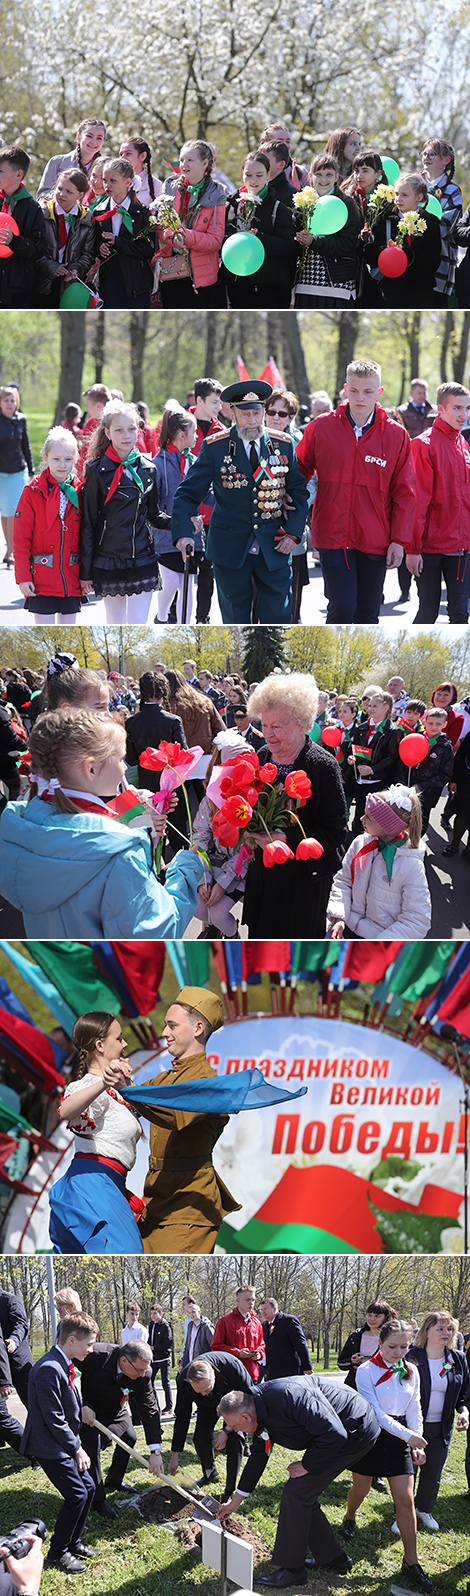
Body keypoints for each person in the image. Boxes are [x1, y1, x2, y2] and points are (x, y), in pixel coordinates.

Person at [0, 709, 204, 937]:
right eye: (120, 758)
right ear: (91, 768)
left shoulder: (21, 827)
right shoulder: (118, 852)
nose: (125, 767)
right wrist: (185, 870)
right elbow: (157, 931)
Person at [216, 1376, 380, 1589]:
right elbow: (259, 1455)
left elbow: (334, 1433)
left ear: (246, 1417)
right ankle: (333, 1558)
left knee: (296, 1493)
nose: (235, 1430)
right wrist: (236, 1500)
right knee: (302, 1495)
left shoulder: (288, 1396)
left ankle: (292, 1571)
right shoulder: (260, 1411)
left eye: (234, 1425)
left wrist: (307, 1465)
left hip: (355, 1430)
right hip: (333, 1433)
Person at [172, 379, 309, 624]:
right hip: (230, 548)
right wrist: (183, 534)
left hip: (276, 545)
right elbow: (187, 493)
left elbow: (298, 491)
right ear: (232, 413)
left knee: (277, 618)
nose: (253, 420)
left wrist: (293, 533)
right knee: (235, 618)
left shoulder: (283, 444)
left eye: (257, 413)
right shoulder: (216, 447)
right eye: (245, 414)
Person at [296, 358, 415, 623]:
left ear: (379, 392)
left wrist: (399, 540)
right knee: (342, 608)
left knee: (368, 613)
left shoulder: (396, 435)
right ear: (345, 388)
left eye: (368, 391)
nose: (360, 398)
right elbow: (299, 470)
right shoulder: (322, 426)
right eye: (354, 390)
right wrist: (294, 510)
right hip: (332, 536)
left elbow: (405, 492)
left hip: (375, 538)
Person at [125, 985, 241, 1253]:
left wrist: (127, 1090)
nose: (164, 1033)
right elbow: (132, 1100)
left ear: (198, 1028)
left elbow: (173, 1115)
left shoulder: (209, 1083)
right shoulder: (165, 1079)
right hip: (157, 1205)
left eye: (172, 1025)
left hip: (188, 1209)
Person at [240, 673, 348, 937]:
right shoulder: (262, 755)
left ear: (302, 723)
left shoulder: (323, 765)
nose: (268, 734)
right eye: (264, 725)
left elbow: (336, 831)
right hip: (265, 874)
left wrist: (285, 838)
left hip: (303, 880)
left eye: (277, 725)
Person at [344, 1319, 432, 1594]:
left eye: (405, 1346)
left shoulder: (412, 1371)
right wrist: (409, 1436)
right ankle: (350, 1516)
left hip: (402, 1438)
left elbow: (415, 1406)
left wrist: (417, 1442)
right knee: (362, 1488)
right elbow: (377, 1413)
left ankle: (411, 1561)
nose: (399, 1352)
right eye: (392, 1346)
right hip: (371, 1434)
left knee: (405, 1500)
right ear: (379, 1343)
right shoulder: (365, 1371)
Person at [48, 1010, 145, 1254]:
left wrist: (122, 1084)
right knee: (124, 1254)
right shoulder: (91, 1085)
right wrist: (104, 1082)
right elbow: (66, 1110)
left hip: (106, 1184)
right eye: (119, 1039)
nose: (125, 1044)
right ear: (100, 1045)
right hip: (93, 1184)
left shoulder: (113, 1090)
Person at [20, 1310, 99, 1574]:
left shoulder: (64, 1362)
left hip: (61, 1441)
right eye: (89, 1344)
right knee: (76, 1494)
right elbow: (54, 1419)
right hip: (48, 1444)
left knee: (88, 1488)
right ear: (72, 1340)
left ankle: (73, 1542)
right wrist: (76, 1448)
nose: (91, 1349)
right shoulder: (48, 1368)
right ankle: (57, 1553)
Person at [80, 400, 170, 622]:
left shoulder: (149, 468)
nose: (126, 435)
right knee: (115, 623)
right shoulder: (96, 470)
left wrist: (184, 523)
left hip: (143, 559)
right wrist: (85, 572)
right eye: (119, 430)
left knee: (138, 624)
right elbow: (88, 523)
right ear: (108, 433)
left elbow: (154, 515)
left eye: (132, 429)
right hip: (108, 560)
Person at [327, 784, 431, 940]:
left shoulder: (411, 865)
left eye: (368, 817)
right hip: (346, 926)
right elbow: (343, 881)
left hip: (379, 938)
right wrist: (339, 916)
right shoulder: (360, 843)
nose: (362, 819)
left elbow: (416, 920)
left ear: (387, 826)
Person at [78, 1338, 164, 1518]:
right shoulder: (95, 1354)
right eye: (139, 1370)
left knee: (129, 1437)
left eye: (145, 1369)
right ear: (124, 1360)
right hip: (87, 1410)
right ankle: (98, 1499)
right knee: (92, 1446)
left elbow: (149, 1408)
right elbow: (70, 1375)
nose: (143, 1374)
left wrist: (155, 1450)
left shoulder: (144, 1373)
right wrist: (81, 1404)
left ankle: (114, 1480)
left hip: (114, 1407)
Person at [407, 382, 470, 625]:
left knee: (460, 614)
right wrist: (412, 548)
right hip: (429, 549)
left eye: (466, 408)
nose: (463, 414)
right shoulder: (423, 445)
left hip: (461, 549)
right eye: (456, 408)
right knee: (428, 612)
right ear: (440, 409)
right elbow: (416, 501)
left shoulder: (463, 445)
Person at [13, 426, 86, 623]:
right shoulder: (32, 492)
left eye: (68, 459)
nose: (62, 465)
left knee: (69, 627)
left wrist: (88, 575)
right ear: (45, 458)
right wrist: (23, 576)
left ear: (76, 458)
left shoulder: (81, 491)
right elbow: (21, 537)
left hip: (71, 578)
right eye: (56, 459)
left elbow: (88, 536)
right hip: (41, 579)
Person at [407, 1310, 469, 1531]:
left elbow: (463, 1393)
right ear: (427, 1331)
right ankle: (404, 1514)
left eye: (450, 1329)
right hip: (412, 1427)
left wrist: (463, 1412)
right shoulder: (410, 1356)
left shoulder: (457, 1359)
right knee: (408, 1472)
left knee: (433, 1472)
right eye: (440, 1328)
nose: (446, 1333)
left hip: (441, 1427)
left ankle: (424, 1510)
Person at [169, 1352, 256, 1498]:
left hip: (233, 1404)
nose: (203, 1393)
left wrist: (226, 1430)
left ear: (213, 1376)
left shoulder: (231, 1366)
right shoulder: (183, 1381)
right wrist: (174, 1457)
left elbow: (250, 1398)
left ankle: (229, 1490)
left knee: (236, 1439)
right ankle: (210, 1474)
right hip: (207, 1407)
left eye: (207, 1389)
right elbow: (182, 1418)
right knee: (200, 1438)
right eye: (199, 1391)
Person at [156, 140, 226, 307]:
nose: (184, 164)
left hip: (201, 279)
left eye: (190, 160)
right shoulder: (170, 187)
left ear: (205, 164)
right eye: (181, 160)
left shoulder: (218, 193)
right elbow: (160, 226)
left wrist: (185, 236)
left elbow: (215, 241)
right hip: (171, 273)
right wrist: (172, 239)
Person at [223, 150, 296, 308]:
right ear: (242, 173)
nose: (253, 181)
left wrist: (259, 238)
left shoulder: (279, 208)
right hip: (237, 284)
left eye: (259, 175)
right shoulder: (230, 205)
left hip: (269, 287)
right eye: (248, 175)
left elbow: (288, 246)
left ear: (268, 175)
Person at [153, 407, 203, 623]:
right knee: (171, 583)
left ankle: (185, 624)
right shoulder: (158, 464)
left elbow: (205, 494)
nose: (198, 436)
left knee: (187, 586)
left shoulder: (194, 461)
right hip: (166, 537)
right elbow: (153, 505)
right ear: (182, 435)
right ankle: (162, 617)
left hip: (193, 534)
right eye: (195, 432)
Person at [362, 172, 441, 308]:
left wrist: (408, 254)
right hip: (390, 290)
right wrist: (386, 252)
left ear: (419, 197)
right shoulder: (384, 218)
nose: (398, 199)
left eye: (404, 195)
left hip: (420, 291)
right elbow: (369, 254)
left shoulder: (430, 222)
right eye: (397, 194)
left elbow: (433, 262)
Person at [294, 153, 360, 308]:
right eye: (318, 174)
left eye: (329, 174)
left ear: (336, 176)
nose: (324, 179)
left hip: (336, 283)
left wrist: (313, 241)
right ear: (310, 176)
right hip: (305, 282)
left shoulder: (347, 204)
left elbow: (348, 244)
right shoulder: (302, 203)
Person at [90, 157, 154, 308]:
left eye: (113, 180)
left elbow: (147, 250)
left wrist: (118, 242)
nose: (107, 185)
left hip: (135, 283)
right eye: (105, 180)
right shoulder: (99, 211)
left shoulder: (142, 212)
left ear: (128, 182)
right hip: (108, 280)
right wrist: (100, 248)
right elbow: (92, 243)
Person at [189, 378, 224, 623]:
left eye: (220, 401)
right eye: (214, 401)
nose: (219, 406)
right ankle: (174, 614)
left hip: (211, 513)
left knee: (207, 570)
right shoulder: (179, 425)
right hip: (187, 511)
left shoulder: (222, 431)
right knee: (182, 569)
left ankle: (203, 615)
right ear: (199, 400)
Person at [36, 169, 95, 304]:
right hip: (41, 284)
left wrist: (76, 269)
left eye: (69, 192)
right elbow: (34, 248)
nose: (62, 194)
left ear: (80, 195)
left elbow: (88, 254)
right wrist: (51, 267)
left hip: (69, 287)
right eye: (59, 188)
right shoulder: (41, 212)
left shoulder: (87, 218)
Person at [0, 147, 47, 308]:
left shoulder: (33, 208)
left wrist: (14, 241)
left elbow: (39, 248)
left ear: (18, 175)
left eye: (0, 171)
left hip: (17, 288)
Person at [421, 137, 462, 301]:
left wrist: (417, 226)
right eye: (424, 153)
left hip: (439, 270)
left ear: (446, 160)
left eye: (432, 154)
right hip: (410, 269)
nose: (426, 157)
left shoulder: (453, 191)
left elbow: (445, 227)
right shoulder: (412, 184)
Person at [0, 386, 34, 567]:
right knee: (4, 512)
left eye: (12, 400)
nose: (9, 404)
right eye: (6, 400)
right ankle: (9, 549)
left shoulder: (21, 420)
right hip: (1, 471)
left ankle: (11, 551)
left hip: (17, 470)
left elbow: (26, 445)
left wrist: (31, 470)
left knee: (13, 511)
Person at [406, 705, 454, 833]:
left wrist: (421, 786)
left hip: (428, 793)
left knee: (420, 822)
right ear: (424, 722)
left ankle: (415, 848)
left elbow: (445, 775)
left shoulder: (445, 746)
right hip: (407, 788)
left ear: (445, 724)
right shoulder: (415, 738)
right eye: (430, 723)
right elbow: (403, 763)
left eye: (438, 724)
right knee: (404, 819)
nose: (433, 727)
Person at [37, 118, 106, 200]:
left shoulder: (106, 168)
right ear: (78, 137)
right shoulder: (56, 162)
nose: (94, 142)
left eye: (99, 138)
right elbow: (42, 196)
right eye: (89, 136)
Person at [212, 1286, 265, 1382]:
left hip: (252, 1375)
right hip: (231, 1375)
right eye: (247, 1300)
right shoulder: (224, 1321)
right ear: (238, 1301)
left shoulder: (257, 1323)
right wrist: (237, 1353)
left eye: (253, 1299)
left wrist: (259, 1354)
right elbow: (216, 1347)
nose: (251, 1303)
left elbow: (261, 1345)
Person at [259, 1299, 312, 1380]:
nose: (263, 1312)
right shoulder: (265, 1326)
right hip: (272, 1374)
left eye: (265, 1309)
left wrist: (307, 1366)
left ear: (274, 1308)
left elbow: (301, 1343)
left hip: (289, 1372)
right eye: (261, 1309)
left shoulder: (289, 1320)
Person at [0, 1290, 33, 1406]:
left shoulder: (10, 1300)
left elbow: (21, 1325)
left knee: (33, 1404)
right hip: (1, 1365)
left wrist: (14, 1340)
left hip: (18, 1362)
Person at [442, 727, 470, 860]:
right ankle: (454, 844)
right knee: (462, 815)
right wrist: (454, 779)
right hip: (467, 782)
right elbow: (460, 756)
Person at [118, 137, 161, 206]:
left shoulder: (156, 184)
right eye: (121, 154)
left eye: (128, 153)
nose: (122, 158)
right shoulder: (115, 180)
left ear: (142, 156)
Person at [148, 1304, 173, 1415]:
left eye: (155, 1313)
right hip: (153, 1359)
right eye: (151, 1313)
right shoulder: (151, 1325)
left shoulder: (165, 1326)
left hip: (163, 1358)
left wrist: (154, 1348)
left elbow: (168, 1344)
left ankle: (169, 1406)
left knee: (165, 1383)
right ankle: (156, 1405)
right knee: (150, 1381)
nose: (153, 1316)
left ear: (160, 1313)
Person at [257, 141, 295, 207]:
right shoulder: (255, 187)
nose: (260, 164)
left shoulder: (291, 195)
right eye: (258, 160)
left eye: (265, 160)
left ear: (281, 164)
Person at [179, 1301, 214, 1366]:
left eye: (193, 1312)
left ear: (199, 1312)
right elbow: (187, 1346)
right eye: (189, 1313)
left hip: (203, 1364)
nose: (191, 1315)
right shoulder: (190, 1326)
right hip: (191, 1363)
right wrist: (182, 1364)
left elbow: (213, 1346)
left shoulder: (206, 1326)